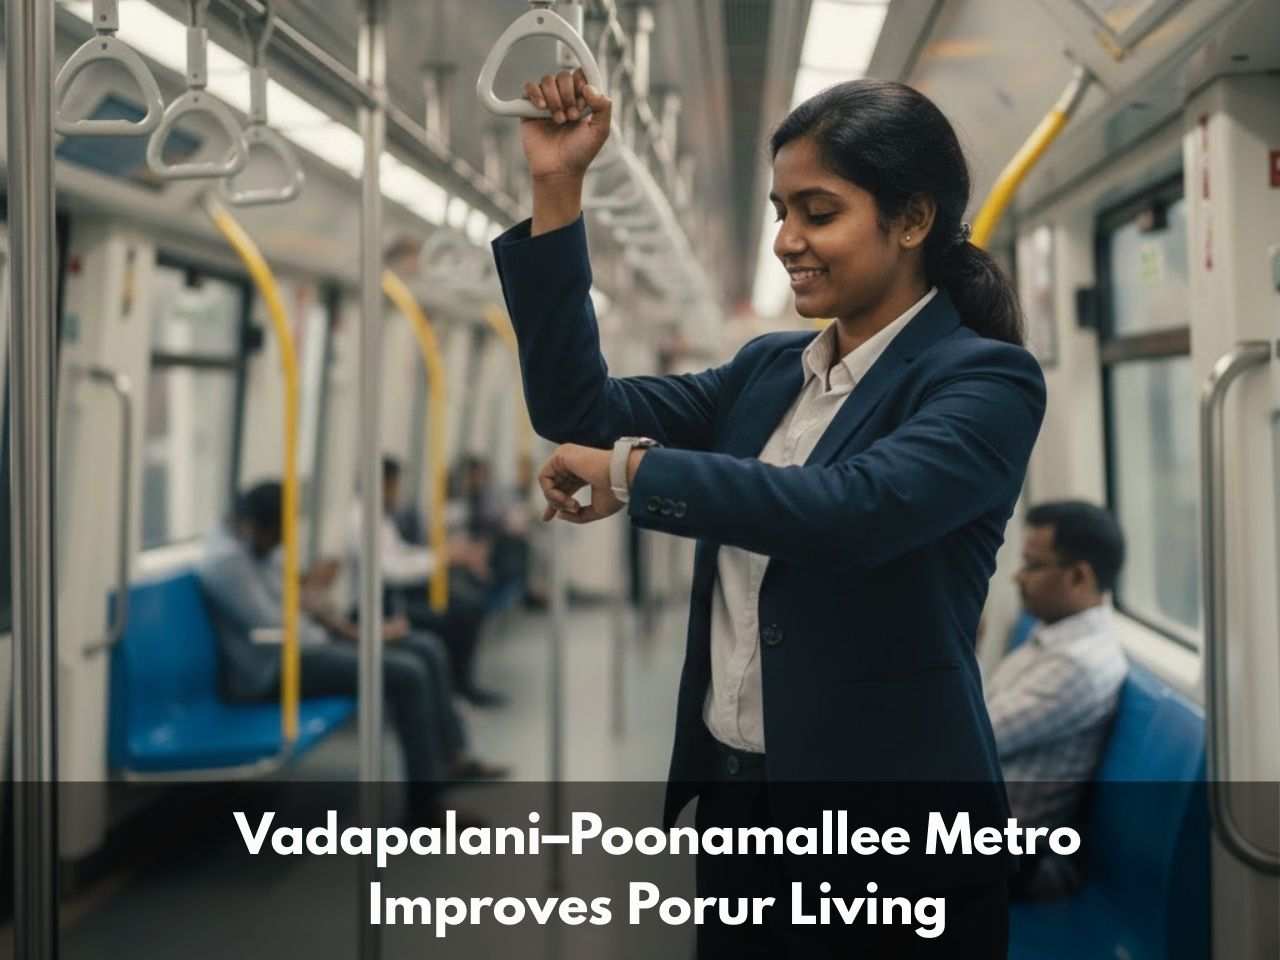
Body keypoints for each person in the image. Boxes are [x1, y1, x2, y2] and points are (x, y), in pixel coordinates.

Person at [492, 73, 1046, 956]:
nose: (788, 240)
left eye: (818, 212)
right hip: (742, 807)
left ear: (912, 220)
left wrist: (634, 471)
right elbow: (577, 410)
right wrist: (557, 187)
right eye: (780, 211)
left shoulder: (983, 382)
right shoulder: (765, 372)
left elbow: (848, 511)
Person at [197, 481, 505, 821]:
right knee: (407, 673)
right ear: (258, 525)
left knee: (427, 647)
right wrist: (352, 633)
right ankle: (424, 805)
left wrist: (324, 605)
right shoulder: (227, 565)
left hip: (307, 645)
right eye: (279, 533)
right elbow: (277, 624)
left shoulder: (256, 547)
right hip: (273, 668)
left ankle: (451, 757)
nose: (284, 543)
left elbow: (294, 599)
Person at [988, 501, 1129, 900]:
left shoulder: (1078, 665)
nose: (1018, 577)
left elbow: (975, 741)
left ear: (1079, 576)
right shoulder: (1053, 638)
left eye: (1033, 566)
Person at [347, 457, 505, 707]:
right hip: (376, 608)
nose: (397, 493)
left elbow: (400, 553)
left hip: (392, 597)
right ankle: (457, 687)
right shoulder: (360, 520)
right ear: (384, 483)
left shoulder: (376, 515)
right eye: (395, 485)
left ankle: (458, 685)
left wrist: (441, 555)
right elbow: (390, 571)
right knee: (459, 613)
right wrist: (443, 558)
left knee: (467, 605)